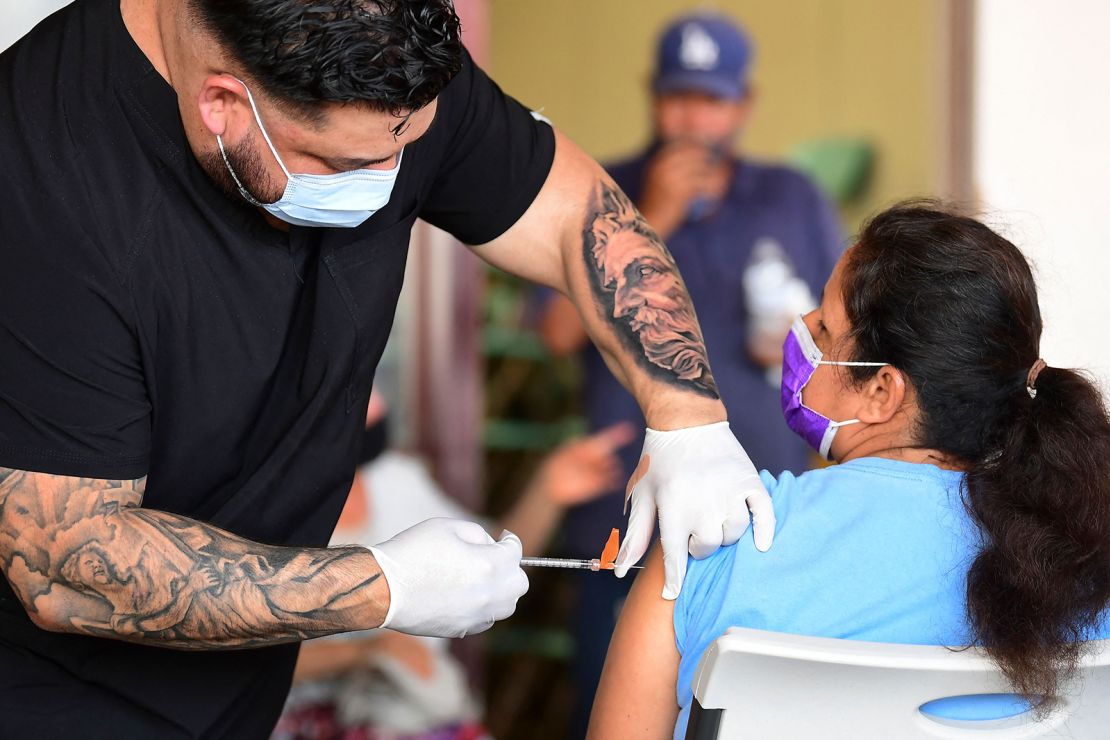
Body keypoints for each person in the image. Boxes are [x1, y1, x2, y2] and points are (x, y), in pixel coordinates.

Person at [0, 2, 776, 736]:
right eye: (348, 163)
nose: (392, 180)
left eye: (408, 149)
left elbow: (577, 216)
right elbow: (61, 563)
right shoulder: (41, 170)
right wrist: (381, 588)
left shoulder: (382, 55)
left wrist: (689, 418)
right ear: (223, 105)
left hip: (242, 696)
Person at [587, 203, 1110, 740]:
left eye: (824, 324)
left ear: (883, 390)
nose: (802, 330)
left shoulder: (712, 545)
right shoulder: (1085, 551)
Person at [536, 13, 842, 733]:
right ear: (651, 95)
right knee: (619, 710)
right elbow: (552, 333)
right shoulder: (603, 185)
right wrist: (651, 219)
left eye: (712, 100)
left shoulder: (789, 195)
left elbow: (844, 343)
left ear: (744, 105)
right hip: (626, 505)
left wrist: (795, 348)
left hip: (762, 505)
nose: (693, 119)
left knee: (750, 717)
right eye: (678, 97)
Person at [276, 392, 634, 738]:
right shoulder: (275, 515)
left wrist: (548, 489)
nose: (375, 402)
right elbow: (241, 644)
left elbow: (489, 560)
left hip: (422, 718)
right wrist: (369, 652)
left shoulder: (395, 480)